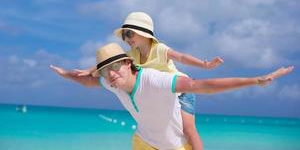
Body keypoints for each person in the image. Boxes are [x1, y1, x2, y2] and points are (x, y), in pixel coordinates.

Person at [50, 43, 293, 150]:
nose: (110, 75)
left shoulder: (155, 80)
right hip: (143, 144)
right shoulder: (113, 82)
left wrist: (255, 80)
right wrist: (66, 75)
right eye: (104, 70)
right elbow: (90, 82)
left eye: (114, 67)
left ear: (128, 63)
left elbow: (203, 86)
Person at [74, 12, 224, 149]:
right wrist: (89, 70)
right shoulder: (132, 54)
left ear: (143, 32)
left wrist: (205, 65)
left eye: (129, 33)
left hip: (182, 91)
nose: (126, 38)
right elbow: (109, 62)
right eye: (124, 35)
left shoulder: (159, 49)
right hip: (162, 94)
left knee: (189, 130)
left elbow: (182, 57)